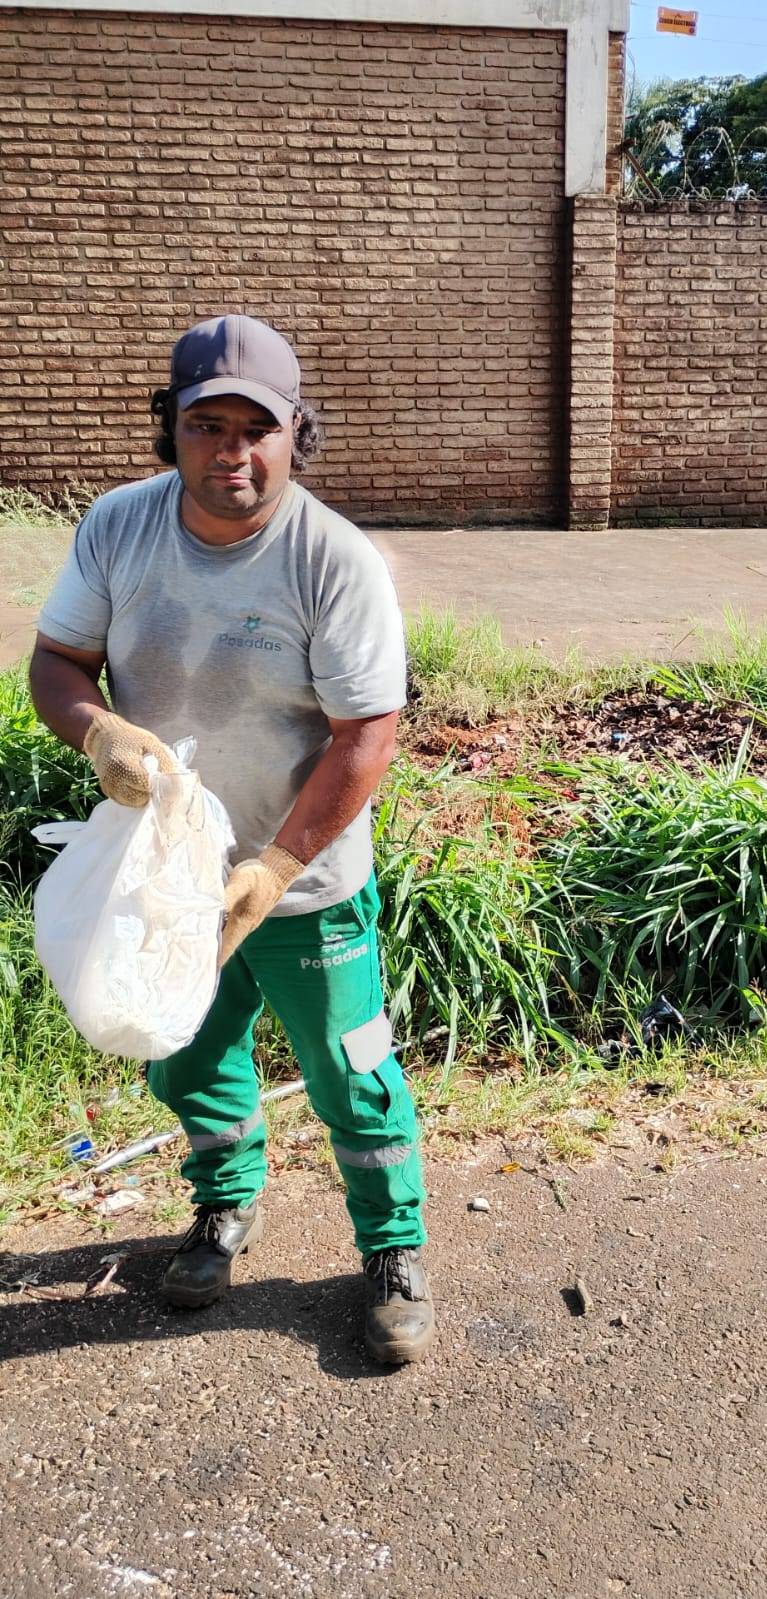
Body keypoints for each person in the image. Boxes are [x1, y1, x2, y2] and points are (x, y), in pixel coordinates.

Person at [29, 314, 434, 1365]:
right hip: (168, 878)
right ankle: (223, 1204)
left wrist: (277, 867)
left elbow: (367, 733)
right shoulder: (118, 527)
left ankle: (392, 1247)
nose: (232, 453)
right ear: (170, 429)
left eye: (258, 429)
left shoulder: (332, 559)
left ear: (297, 434)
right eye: (206, 426)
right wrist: (99, 729)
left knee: (352, 1068)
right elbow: (57, 663)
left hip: (304, 883)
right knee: (188, 1056)